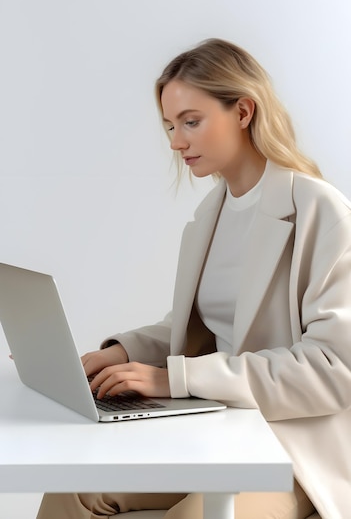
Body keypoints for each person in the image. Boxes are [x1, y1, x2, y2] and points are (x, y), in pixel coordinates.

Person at [37, 39, 351, 519]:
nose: (175, 142)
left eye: (191, 121)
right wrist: (118, 354)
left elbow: (333, 369)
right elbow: (197, 328)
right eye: (169, 125)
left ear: (243, 111)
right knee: (71, 488)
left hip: (291, 447)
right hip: (219, 429)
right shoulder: (211, 213)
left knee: (198, 515)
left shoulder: (320, 210)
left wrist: (173, 379)